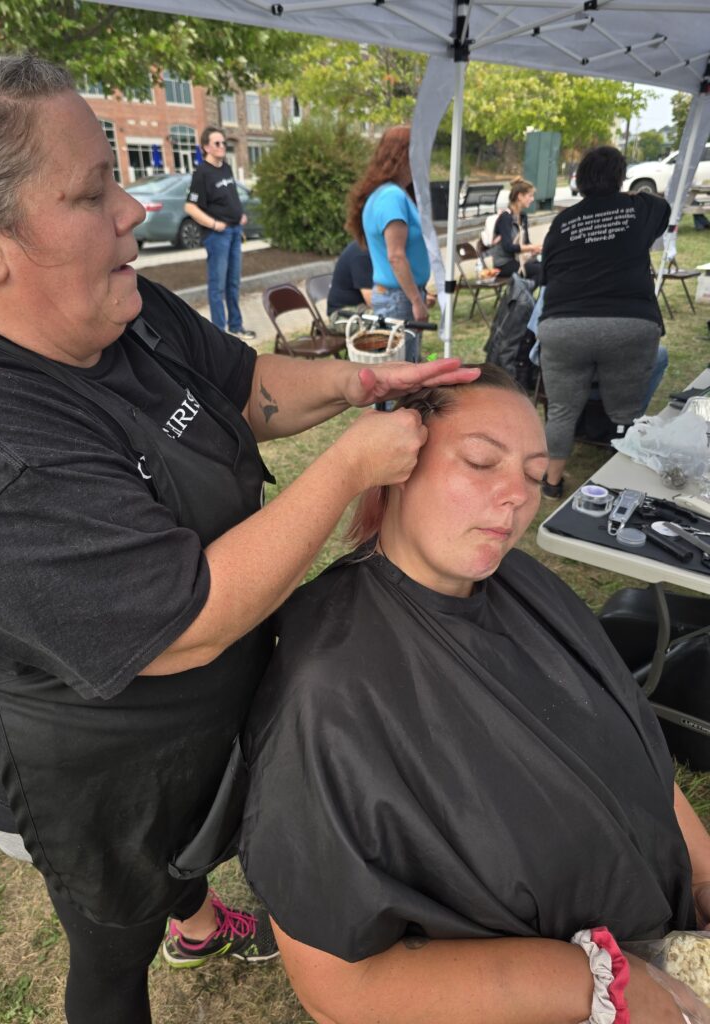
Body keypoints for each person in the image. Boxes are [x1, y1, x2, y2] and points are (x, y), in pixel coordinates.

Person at [0, 55, 480, 1024]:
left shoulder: (117, 304)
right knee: (114, 940)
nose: (129, 212)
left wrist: (362, 386)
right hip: (82, 764)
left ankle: (191, 909)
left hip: (193, 720)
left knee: (184, 861)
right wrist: (352, 465)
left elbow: (245, 388)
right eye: (89, 191)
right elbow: (184, 620)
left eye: (116, 175)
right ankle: (160, 928)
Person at [240, 366, 710, 1024]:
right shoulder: (326, 690)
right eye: (482, 461)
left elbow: (628, 734)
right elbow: (337, 986)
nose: (516, 496)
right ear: (395, 465)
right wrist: (587, 983)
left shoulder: (525, 583)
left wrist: (703, 873)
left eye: (532, 471)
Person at [538, 145, 669, 498]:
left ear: (578, 179)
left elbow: (546, 271)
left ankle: (551, 482)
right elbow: (663, 205)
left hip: (564, 325)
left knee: (562, 410)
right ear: (621, 177)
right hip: (629, 324)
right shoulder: (639, 208)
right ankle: (618, 479)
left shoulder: (563, 220)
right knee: (625, 411)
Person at [346, 126, 433, 362]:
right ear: (403, 156)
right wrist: (416, 299)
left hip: (398, 295)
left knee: (402, 368)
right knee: (403, 372)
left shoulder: (388, 193)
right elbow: (396, 256)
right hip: (399, 298)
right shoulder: (391, 196)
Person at [184, 125, 255, 341]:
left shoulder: (226, 168)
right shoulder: (201, 173)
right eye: (217, 143)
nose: (222, 146)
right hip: (218, 237)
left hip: (235, 232)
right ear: (206, 147)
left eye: (223, 143)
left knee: (233, 282)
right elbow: (190, 207)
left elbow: (230, 197)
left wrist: (240, 215)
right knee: (217, 286)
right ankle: (219, 335)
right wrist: (214, 224)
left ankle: (236, 326)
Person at [491, 177, 543, 286]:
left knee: (547, 265)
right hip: (504, 264)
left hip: (518, 259)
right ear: (520, 196)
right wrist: (531, 247)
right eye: (530, 195)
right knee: (541, 270)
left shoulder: (523, 217)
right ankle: (523, 297)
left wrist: (535, 250)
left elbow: (526, 243)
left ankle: (522, 296)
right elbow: (508, 247)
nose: (532, 199)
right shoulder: (505, 218)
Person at [326, 239, 373, 331]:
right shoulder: (362, 253)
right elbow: (372, 301)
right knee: (390, 319)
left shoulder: (369, 247)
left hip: (359, 308)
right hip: (342, 315)